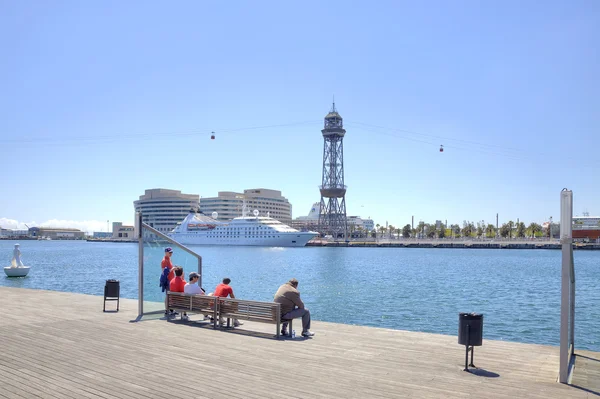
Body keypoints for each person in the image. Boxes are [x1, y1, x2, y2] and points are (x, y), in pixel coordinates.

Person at [161, 247, 176, 316]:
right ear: (166, 252)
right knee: (168, 295)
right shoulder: (164, 261)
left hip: (171, 280)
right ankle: (167, 310)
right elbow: (164, 272)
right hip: (167, 281)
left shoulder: (169, 259)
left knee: (171, 295)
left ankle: (171, 309)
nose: (171, 254)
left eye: (171, 252)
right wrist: (173, 269)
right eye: (170, 252)